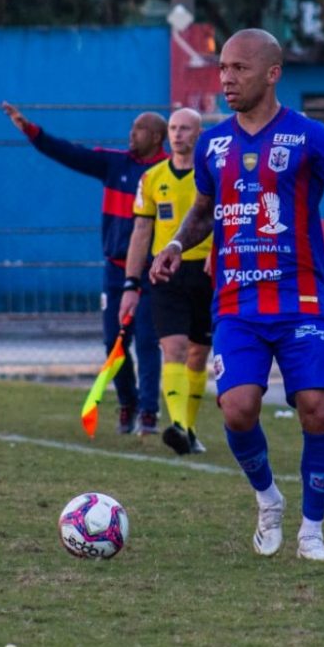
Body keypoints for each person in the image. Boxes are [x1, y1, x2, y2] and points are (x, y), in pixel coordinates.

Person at [149, 28, 324, 562]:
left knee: (318, 410)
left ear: (272, 74)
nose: (226, 79)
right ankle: (269, 501)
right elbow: (205, 210)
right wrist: (178, 243)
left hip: (301, 300)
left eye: (239, 69)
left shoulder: (308, 136)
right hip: (236, 303)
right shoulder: (214, 143)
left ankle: (312, 534)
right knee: (237, 408)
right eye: (223, 69)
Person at [2, 102, 166, 435]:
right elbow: (70, 153)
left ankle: (149, 411)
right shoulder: (114, 163)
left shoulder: (167, 170)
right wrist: (33, 131)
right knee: (113, 341)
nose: (132, 134)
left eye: (140, 129)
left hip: (153, 272)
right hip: (116, 270)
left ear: (157, 136)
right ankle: (128, 401)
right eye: (132, 127)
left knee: (148, 342)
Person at [120, 108, 214, 456]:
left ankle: (188, 427)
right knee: (172, 349)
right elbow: (141, 231)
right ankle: (178, 426)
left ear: (199, 133)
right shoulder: (152, 178)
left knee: (198, 356)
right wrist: (131, 282)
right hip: (165, 272)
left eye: (185, 128)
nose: (178, 134)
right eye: (173, 128)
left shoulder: (212, 177)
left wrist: (216, 252)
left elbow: (226, 220)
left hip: (205, 273)